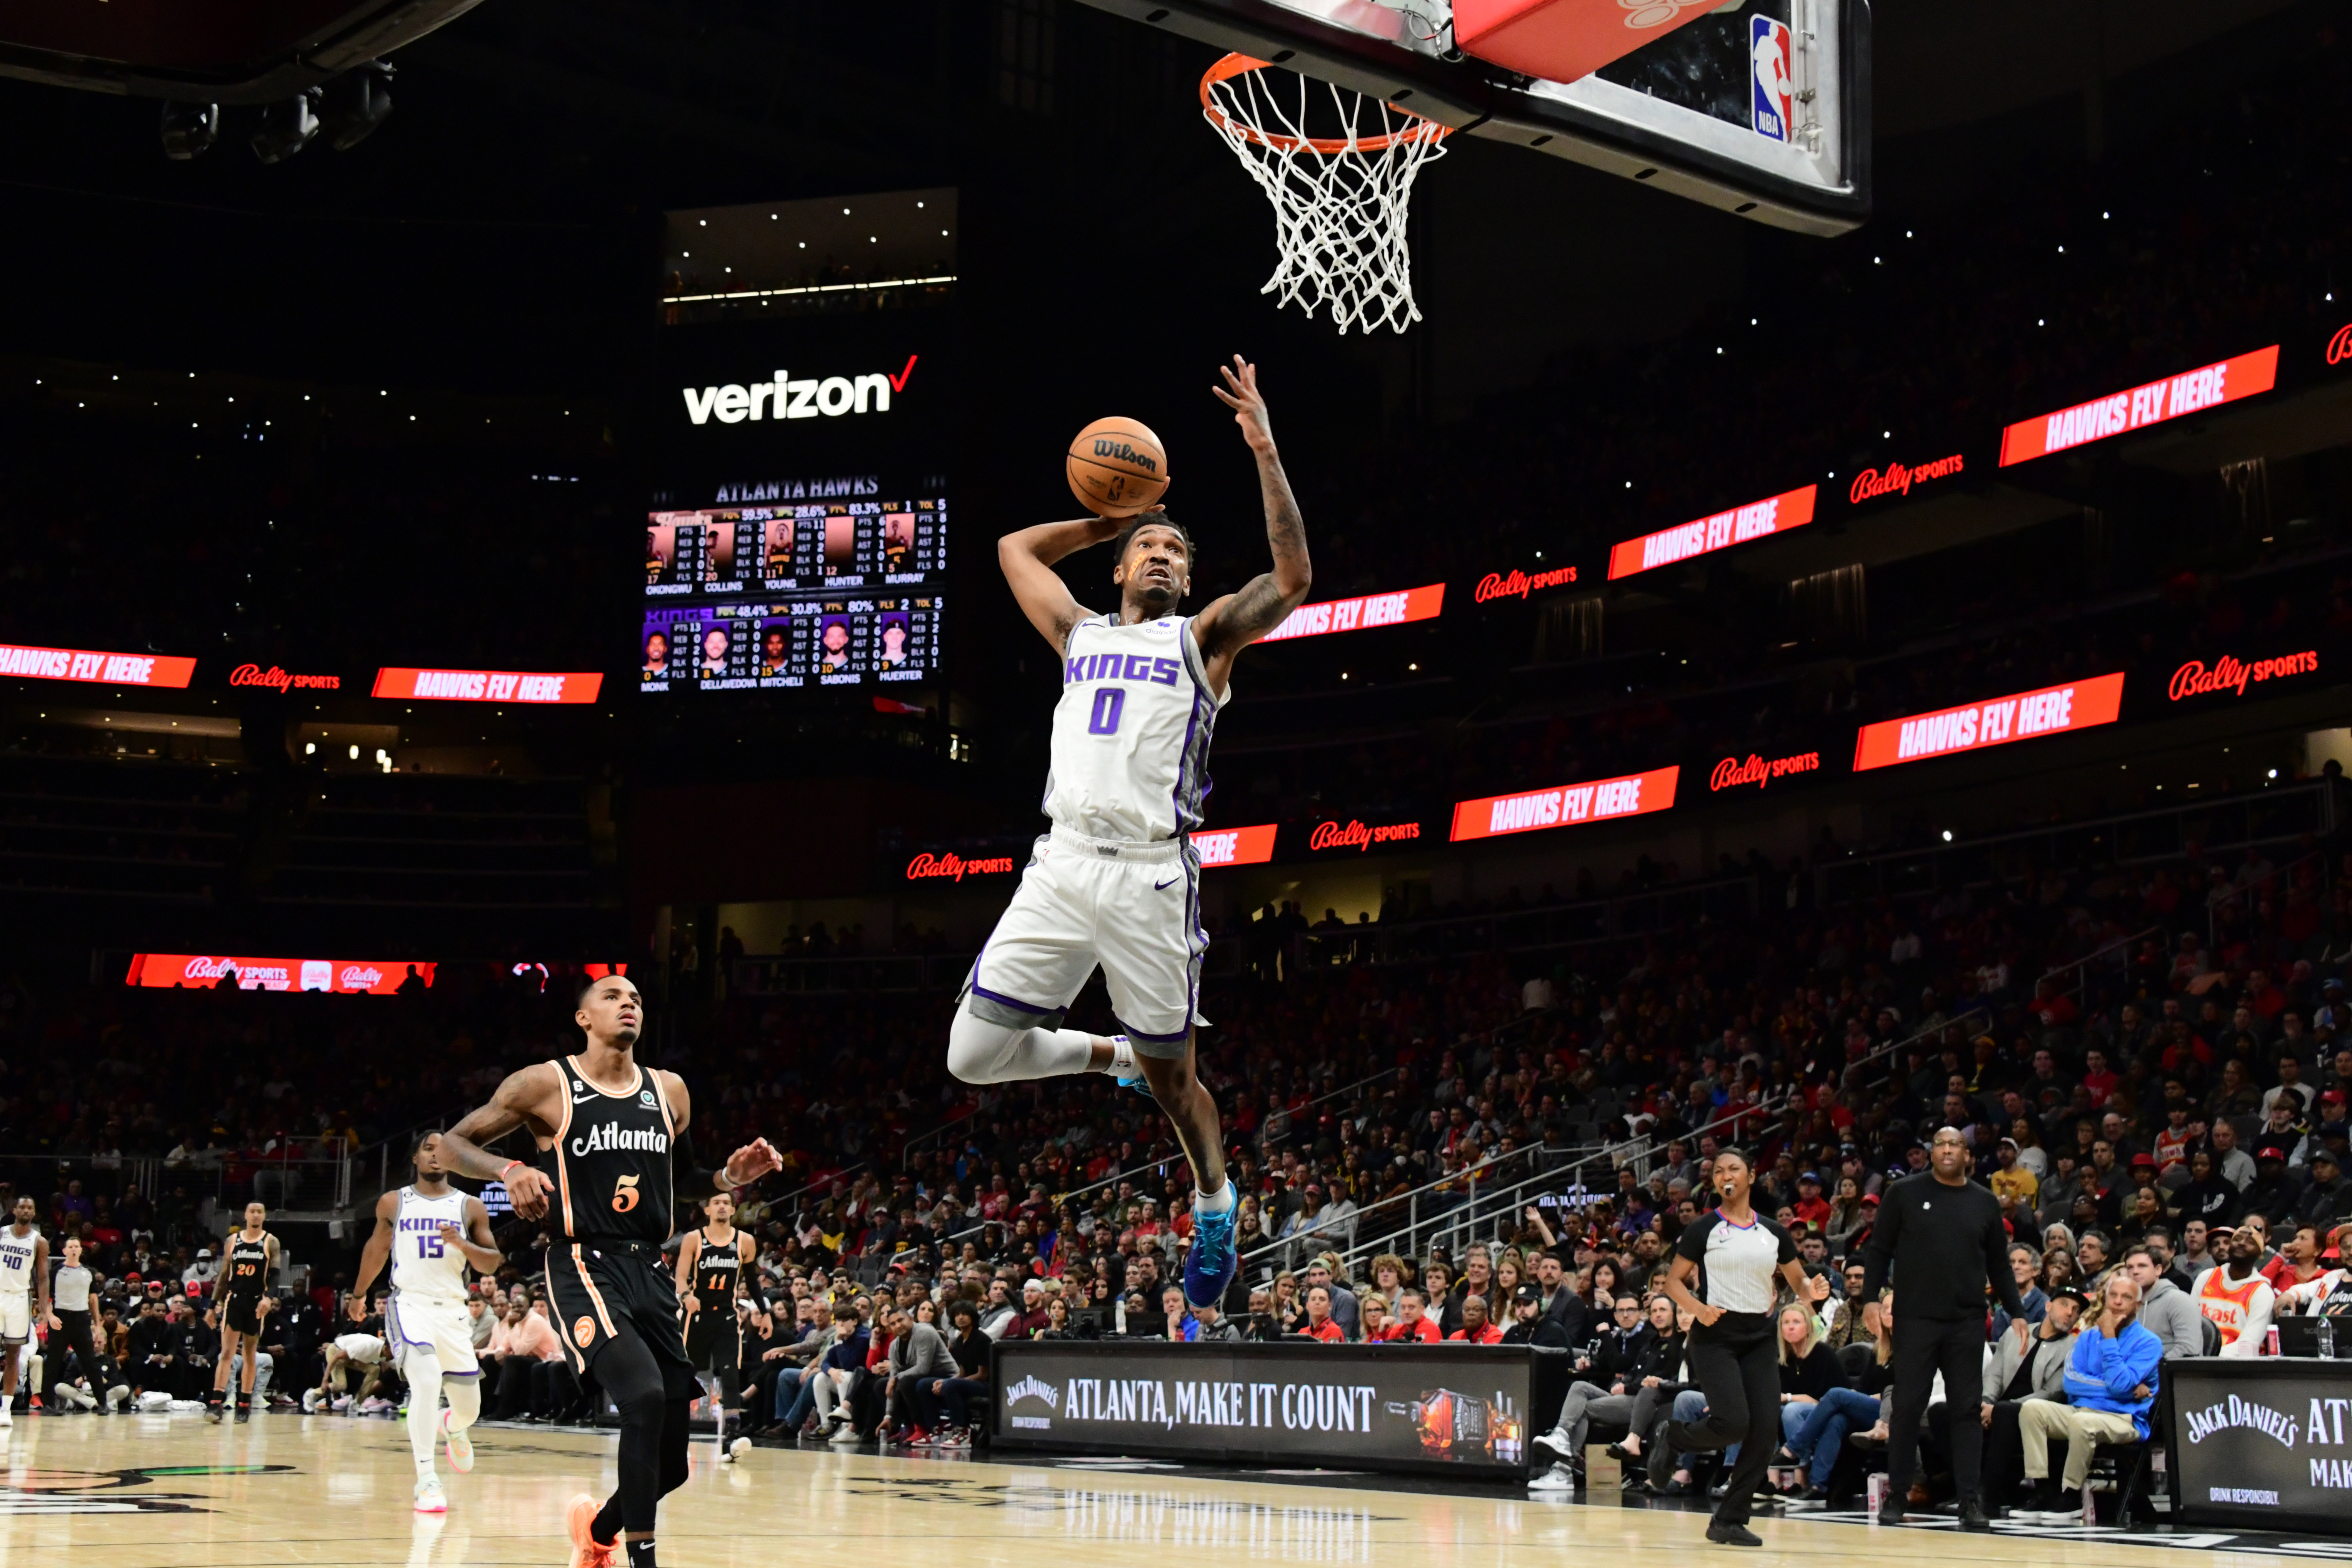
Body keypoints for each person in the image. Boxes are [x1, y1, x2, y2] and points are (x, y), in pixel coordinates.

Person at [947, 355, 1311, 1320]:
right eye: (1146, 546)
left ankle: (1215, 1203)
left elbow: (1293, 577)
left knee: (1177, 1082)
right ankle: (1108, 1057)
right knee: (971, 1056)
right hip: (1061, 864)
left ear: (1189, 579)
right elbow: (1014, 549)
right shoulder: (1078, 634)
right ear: (1117, 568)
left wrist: (1264, 448)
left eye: (1174, 551)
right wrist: (1108, 515)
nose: (1160, 556)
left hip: (1152, 877)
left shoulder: (1202, 640)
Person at [433, 973, 784, 1568]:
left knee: (672, 1464)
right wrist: (509, 1169)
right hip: (583, 1261)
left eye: (637, 999)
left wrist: (729, 1177)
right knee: (643, 1396)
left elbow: (686, 1180)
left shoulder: (669, 1090)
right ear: (584, 1018)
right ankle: (641, 1561)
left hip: (650, 1264)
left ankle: (595, 1533)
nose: (629, 1005)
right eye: (613, 996)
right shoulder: (546, 1083)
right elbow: (450, 1145)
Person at [1861, 1125, 2027, 1529]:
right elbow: (1879, 1249)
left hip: (1966, 1320)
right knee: (1906, 1407)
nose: (1948, 1149)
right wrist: (1870, 1299)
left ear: (1967, 1155)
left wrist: (2017, 1311)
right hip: (1915, 1318)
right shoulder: (1904, 1193)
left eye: (1956, 1144)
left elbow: (1999, 1264)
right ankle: (1898, 1494)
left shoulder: (1984, 1202)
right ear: (1931, 1152)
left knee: (1966, 1411)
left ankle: (1969, 1499)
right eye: (1941, 1144)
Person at [1658, 1148, 1812, 1547]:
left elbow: (1799, 1282)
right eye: (1719, 1171)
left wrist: (1814, 1290)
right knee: (1733, 1423)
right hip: (1715, 1337)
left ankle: (1728, 1519)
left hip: (1759, 1337)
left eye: (1734, 1169)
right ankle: (1674, 1437)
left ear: (1751, 1176)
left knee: (1763, 1434)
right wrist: (1697, 1309)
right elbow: (1673, 1282)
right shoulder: (1704, 1229)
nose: (1726, 1175)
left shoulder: (1773, 1232)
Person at [348, 1132, 503, 1513]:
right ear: (415, 1158)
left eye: (442, 1150)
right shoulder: (394, 1202)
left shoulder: (470, 1206)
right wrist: (359, 1294)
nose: (435, 1155)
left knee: (470, 1409)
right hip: (410, 1304)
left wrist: (462, 1244)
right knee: (428, 1380)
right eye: (428, 1149)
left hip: (453, 1311)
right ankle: (427, 1480)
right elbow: (377, 1249)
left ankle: (452, 1425)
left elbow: (492, 1262)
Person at [2016, 1273, 2162, 1526]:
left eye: (2126, 1297)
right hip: (2081, 1409)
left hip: (2125, 1419)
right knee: (2032, 1409)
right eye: (2113, 1295)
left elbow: (2120, 1384)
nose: (2118, 1302)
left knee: (2082, 1422)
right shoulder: (2087, 1337)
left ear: (2138, 1305)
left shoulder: (2149, 1342)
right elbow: (2071, 1382)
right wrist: (2124, 1389)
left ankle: (2071, 1495)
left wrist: (2110, 1338)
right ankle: (2042, 1488)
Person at [1979, 1286, 2083, 1513]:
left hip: (2031, 1412)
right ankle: (1961, 1487)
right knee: (1942, 1412)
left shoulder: (2074, 1348)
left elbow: (2051, 1392)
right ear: (2048, 1306)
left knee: (2006, 1412)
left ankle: (1987, 1495)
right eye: (2064, 1305)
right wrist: (1986, 1402)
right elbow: (1994, 1374)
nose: (2070, 1313)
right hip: (1996, 1406)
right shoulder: (2015, 1333)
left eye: (2076, 1310)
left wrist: (1998, 1409)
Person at [674, 1191, 756, 1459]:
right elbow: (681, 1277)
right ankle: (671, 1430)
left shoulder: (745, 1241)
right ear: (707, 1209)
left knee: (731, 1377)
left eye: (727, 1203)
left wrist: (765, 1312)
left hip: (727, 1317)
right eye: (717, 1202)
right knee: (684, 1375)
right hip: (698, 1316)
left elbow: (753, 1281)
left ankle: (732, 1437)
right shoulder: (694, 1238)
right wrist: (686, 1296)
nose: (722, 1207)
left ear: (733, 1210)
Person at [204, 1201, 279, 1423]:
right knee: (227, 1353)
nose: (256, 1215)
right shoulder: (233, 1241)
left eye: (260, 1212)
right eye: (252, 1212)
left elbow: (275, 1275)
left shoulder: (271, 1241)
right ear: (246, 1215)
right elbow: (224, 1275)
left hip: (256, 1302)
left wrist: (269, 1298)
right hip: (234, 1301)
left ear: (264, 1216)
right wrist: (211, 1307)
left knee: (249, 1355)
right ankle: (216, 1403)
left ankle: (244, 1405)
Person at [42, 1235, 124, 1412]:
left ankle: (103, 1403)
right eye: (70, 1247)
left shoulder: (89, 1272)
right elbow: (46, 1297)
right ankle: (48, 1404)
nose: (73, 1249)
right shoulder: (55, 1272)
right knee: (52, 1363)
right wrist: (50, 1316)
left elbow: (93, 1300)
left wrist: (98, 1324)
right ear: (64, 1251)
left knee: (90, 1363)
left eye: (76, 1247)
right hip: (60, 1319)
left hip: (81, 1320)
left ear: (81, 1250)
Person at [2190, 1224, 2277, 1356]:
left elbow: (2249, 1345)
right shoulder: (2206, 1277)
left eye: (2250, 1242)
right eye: (2237, 1239)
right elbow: (2189, 1324)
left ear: (2260, 1254)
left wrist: (2208, 1357)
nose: (2242, 1243)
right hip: (2199, 1358)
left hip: (2237, 1365)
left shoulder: (2262, 1291)